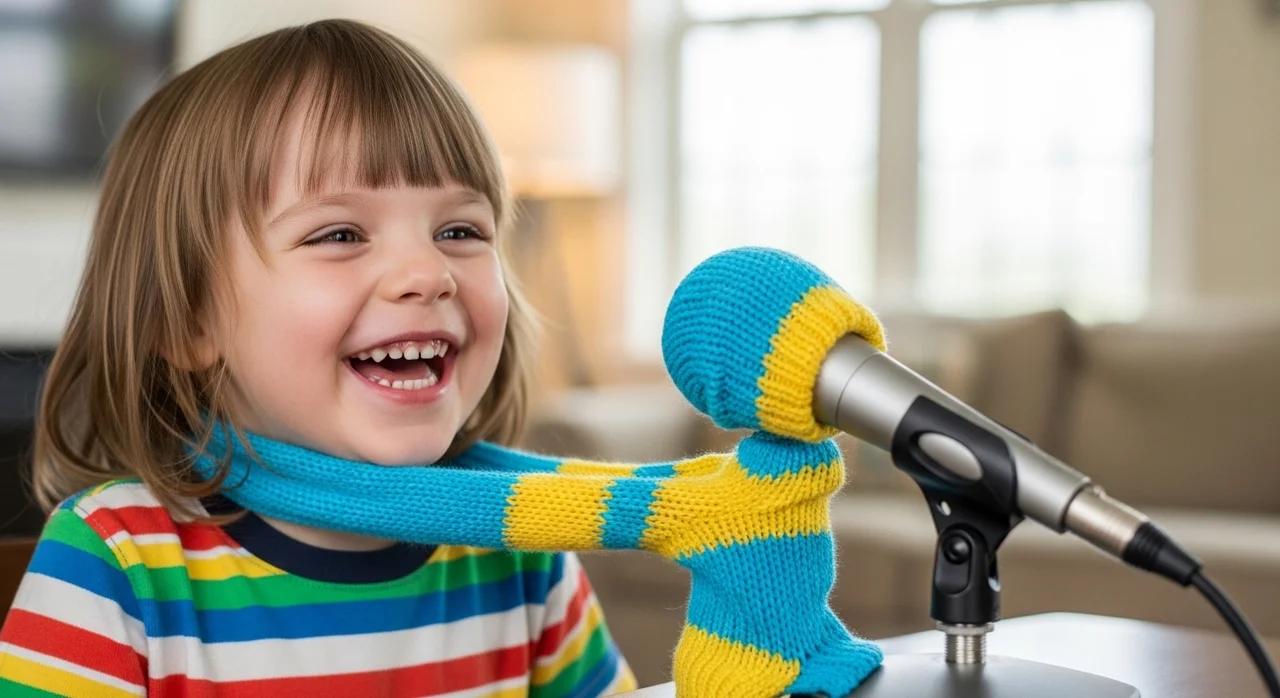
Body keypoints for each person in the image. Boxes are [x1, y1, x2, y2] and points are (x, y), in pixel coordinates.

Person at [0, 18, 637, 697]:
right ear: (186, 321)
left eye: (459, 230)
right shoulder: (118, 563)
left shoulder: (522, 558)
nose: (428, 271)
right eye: (339, 234)